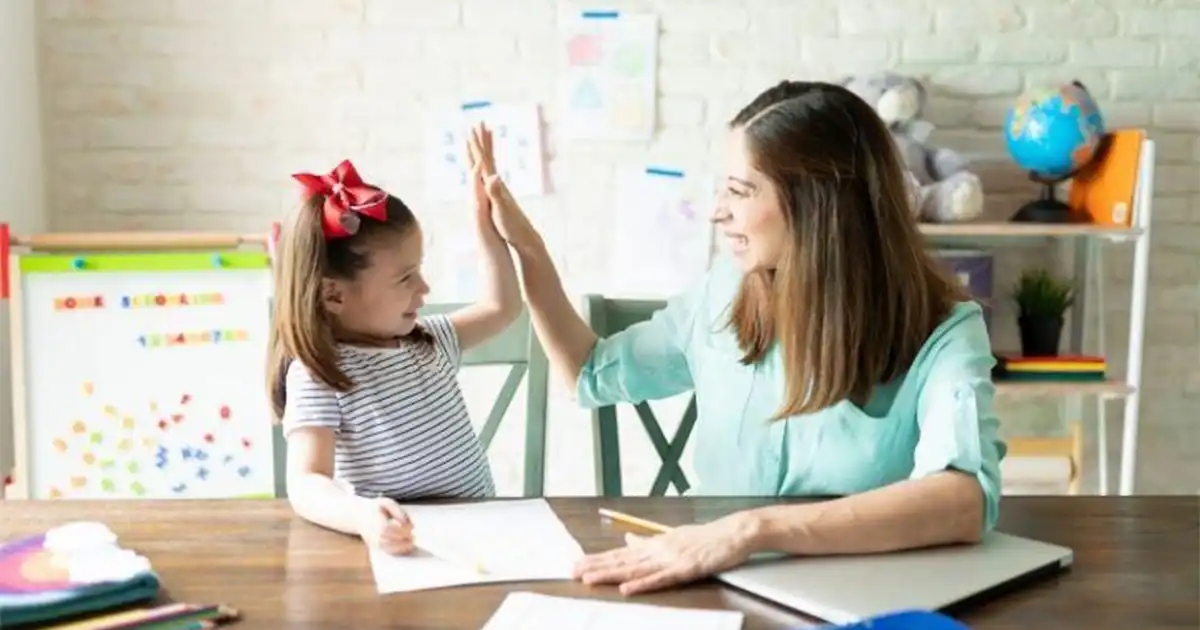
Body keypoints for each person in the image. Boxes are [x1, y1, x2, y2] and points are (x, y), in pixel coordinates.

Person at [479, 80, 1006, 595]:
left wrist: (750, 530)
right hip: (712, 585)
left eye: (739, 190)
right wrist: (527, 250)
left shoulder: (944, 331)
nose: (717, 211)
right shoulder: (722, 294)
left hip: (859, 599)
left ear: (817, 201)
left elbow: (963, 498)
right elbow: (588, 374)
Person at [267, 125, 521, 556]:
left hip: (482, 532)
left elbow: (503, 306)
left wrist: (485, 216)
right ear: (333, 294)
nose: (424, 288)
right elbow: (308, 483)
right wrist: (363, 517)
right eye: (406, 277)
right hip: (408, 549)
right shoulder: (319, 373)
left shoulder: (430, 340)